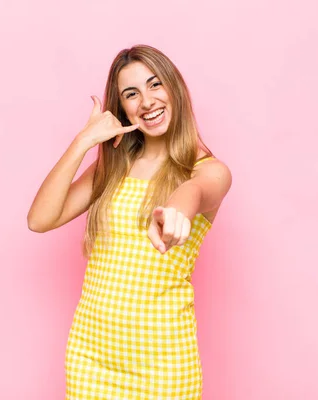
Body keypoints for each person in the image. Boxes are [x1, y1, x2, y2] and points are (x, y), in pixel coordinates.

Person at [27, 44, 232, 400]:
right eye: (131, 93)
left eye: (155, 85)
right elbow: (39, 220)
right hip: (90, 357)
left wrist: (175, 214)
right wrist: (85, 141)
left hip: (161, 364)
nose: (147, 101)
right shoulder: (112, 168)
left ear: (175, 89)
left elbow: (194, 192)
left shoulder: (208, 171)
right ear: (121, 107)